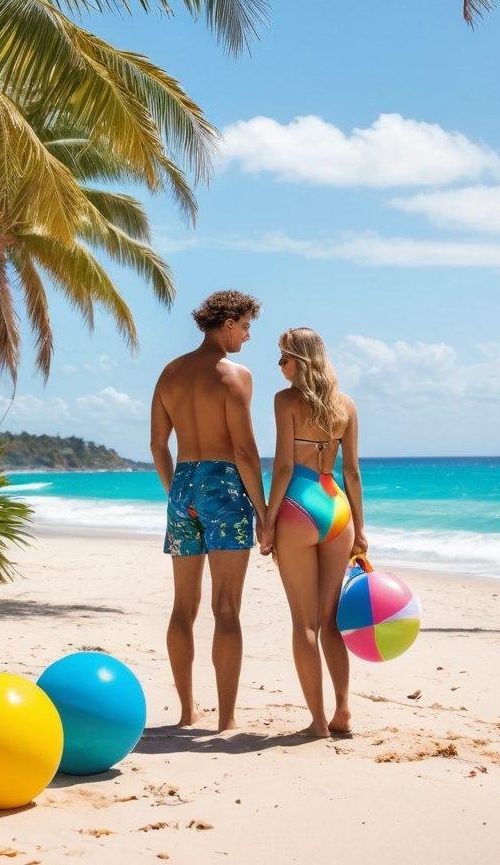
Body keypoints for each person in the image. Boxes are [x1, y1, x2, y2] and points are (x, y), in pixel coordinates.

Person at [150, 290, 267, 731]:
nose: (248, 336)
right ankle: (228, 719)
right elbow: (244, 451)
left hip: (183, 485)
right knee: (226, 609)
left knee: (184, 606)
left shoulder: (170, 373)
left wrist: (176, 494)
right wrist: (264, 510)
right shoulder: (235, 376)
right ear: (229, 322)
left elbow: (158, 445)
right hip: (223, 487)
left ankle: (186, 712)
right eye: (246, 326)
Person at [261, 327, 368, 738]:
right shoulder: (347, 405)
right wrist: (360, 528)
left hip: (298, 506)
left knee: (304, 624)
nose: (280, 366)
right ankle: (343, 710)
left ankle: (319, 723)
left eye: (284, 358)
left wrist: (268, 523)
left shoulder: (285, 401)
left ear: (300, 361)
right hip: (336, 507)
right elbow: (353, 472)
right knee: (330, 623)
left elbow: (284, 467)